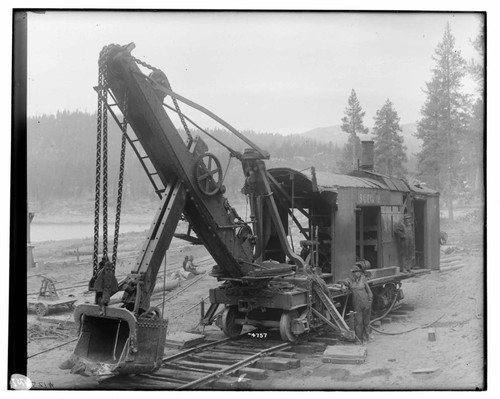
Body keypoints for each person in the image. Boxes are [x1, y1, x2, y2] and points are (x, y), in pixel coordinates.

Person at [342, 263, 373, 343]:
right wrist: (344, 284)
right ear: (353, 273)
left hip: (366, 303)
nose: (358, 273)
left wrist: (370, 301)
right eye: (356, 272)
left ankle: (366, 339)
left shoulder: (363, 279)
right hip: (357, 304)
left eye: (359, 272)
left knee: (366, 322)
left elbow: (369, 292)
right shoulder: (350, 281)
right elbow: (342, 282)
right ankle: (359, 340)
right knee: (358, 322)